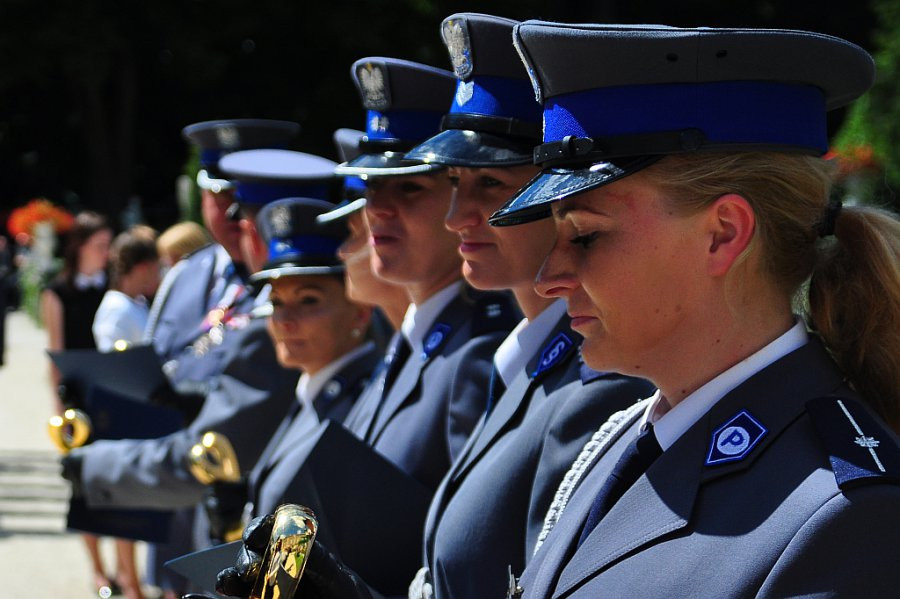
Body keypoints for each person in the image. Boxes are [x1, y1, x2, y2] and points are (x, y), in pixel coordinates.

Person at [479, 22, 900, 597]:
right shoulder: (626, 440)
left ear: (723, 234)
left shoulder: (844, 517)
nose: (548, 279)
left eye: (585, 236)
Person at [242, 197, 380, 527]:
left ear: (360, 311)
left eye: (308, 300)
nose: (284, 320)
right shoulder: (312, 392)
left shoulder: (363, 400)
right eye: (276, 302)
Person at [40, 212, 145, 599]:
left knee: (119, 486)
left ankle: (127, 573)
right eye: (100, 246)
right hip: (80, 402)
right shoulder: (57, 292)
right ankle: (99, 571)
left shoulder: (114, 290)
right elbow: (56, 354)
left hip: (115, 397)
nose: (107, 253)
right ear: (80, 247)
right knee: (85, 487)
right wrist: (60, 413)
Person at [144, 119, 299, 370]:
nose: (233, 212)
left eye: (246, 200)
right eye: (222, 196)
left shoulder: (297, 284)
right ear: (203, 197)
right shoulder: (183, 273)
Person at [92, 225, 160, 351]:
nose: (159, 275)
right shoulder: (115, 308)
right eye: (157, 268)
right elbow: (113, 358)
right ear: (144, 268)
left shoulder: (138, 302)